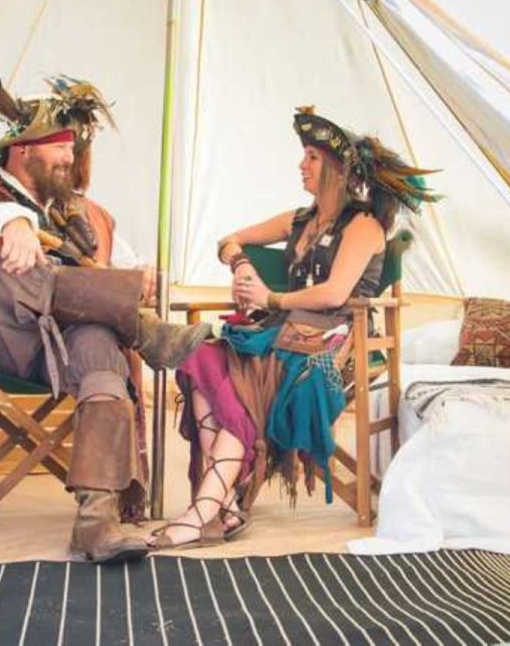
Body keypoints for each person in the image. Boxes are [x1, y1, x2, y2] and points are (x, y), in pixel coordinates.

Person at [0, 77, 211, 563]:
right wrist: (11, 223)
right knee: (6, 260)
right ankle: (149, 334)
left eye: (70, 149)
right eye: (59, 149)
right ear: (21, 151)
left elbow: (119, 265)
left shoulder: (82, 212)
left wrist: (138, 274)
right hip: (4, 340)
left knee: (101, 349)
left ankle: (96, 525)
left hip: (64, 344)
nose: (69, 159)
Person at [150, 107, 438, 549]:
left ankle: (204, 509)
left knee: (247, 384)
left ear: (339, 169)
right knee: (203, 356)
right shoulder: (298, 220)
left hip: (327, 346)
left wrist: (272, 298)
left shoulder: (363, 226)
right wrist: (242, 263)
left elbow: (334, 294)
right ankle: (220, 505)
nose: (301, 165)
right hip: (277, 334)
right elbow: (228, 239)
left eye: (312, 158)